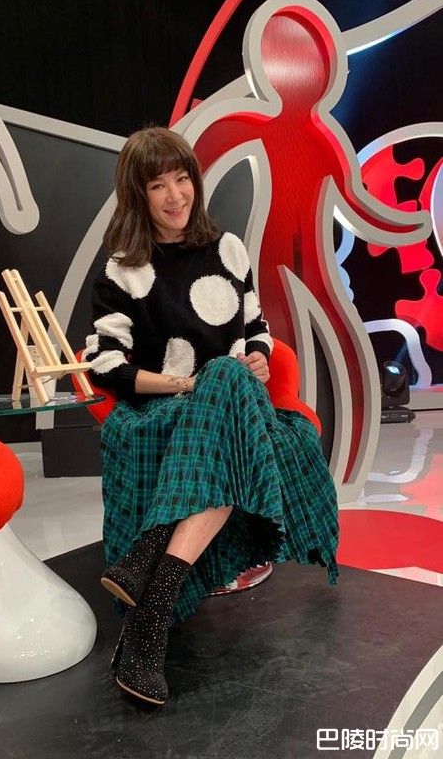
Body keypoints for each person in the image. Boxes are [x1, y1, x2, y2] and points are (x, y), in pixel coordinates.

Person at [84, 126, 338, 706]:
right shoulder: (124, 270)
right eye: (158, 185)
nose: (176, 196)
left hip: (231, 405)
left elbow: (257, 326)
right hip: (166, 410)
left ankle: (150, 592)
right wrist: (185, 383)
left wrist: (261, 356)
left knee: (229, 377)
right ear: (138, 194)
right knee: (223, 386)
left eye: (182, 180)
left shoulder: (228, 249)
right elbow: (106, 363)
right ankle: (156, 596)